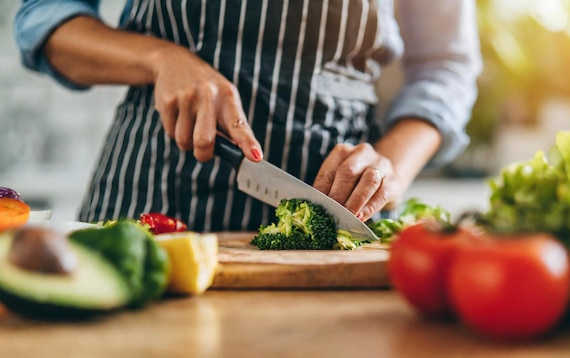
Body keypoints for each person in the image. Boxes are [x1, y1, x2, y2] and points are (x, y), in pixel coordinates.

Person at [14, 0, 482, 232]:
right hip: (153, 192)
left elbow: (446, 65)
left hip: (341, 209)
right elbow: (46, 19)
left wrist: (391, 169)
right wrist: (159, 58)